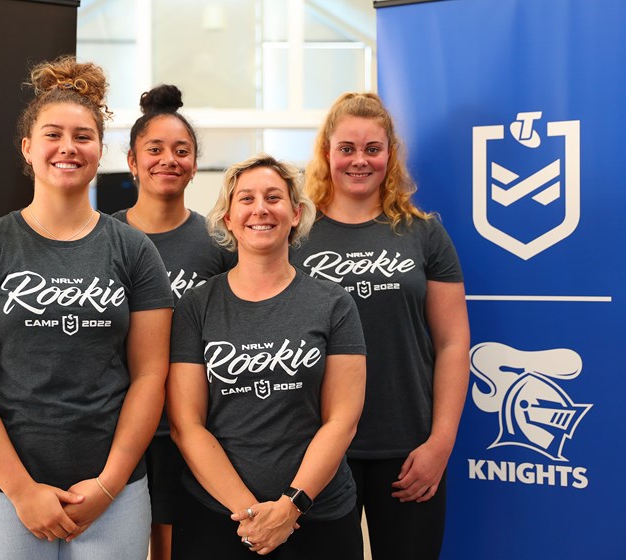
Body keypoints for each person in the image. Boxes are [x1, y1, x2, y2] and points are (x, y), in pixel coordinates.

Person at [0, 56, 173, 560]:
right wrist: (22, 491)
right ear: (28, 148)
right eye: (53, 134)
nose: (68, 147)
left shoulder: (134, 251)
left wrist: (109, 484)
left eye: (83, 136)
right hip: (0, 492)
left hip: (114, 491)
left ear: (100, 150)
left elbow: (151, 376)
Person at [291, 92, 470, 560]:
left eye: (373, 149)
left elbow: (453, 343)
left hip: (409, 447)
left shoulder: (423, 232)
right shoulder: (295, 235)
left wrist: (440, 444)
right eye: (346, 148)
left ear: (389, 156)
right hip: (317, 448)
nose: (359, 160)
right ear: (326, 153)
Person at [167, 154, 367, 559]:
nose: (260, 209)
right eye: (246, 199)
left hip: (318, 516)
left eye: (273, 197)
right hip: (217, 518)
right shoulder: (196, 305)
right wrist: (251, 514)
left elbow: (342, 419)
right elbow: (187, 425)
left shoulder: (333, 304)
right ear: (228, 218)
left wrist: (291, 505)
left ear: (295, 214)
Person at [112, 84, 235, 560]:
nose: (169, 159)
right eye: (155, 149)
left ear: (195, 162)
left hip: (189, 427)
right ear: (132, 161)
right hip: (114, 423)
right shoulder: (104, 236)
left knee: (173, 546)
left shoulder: (217, 245)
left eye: (181, 151)